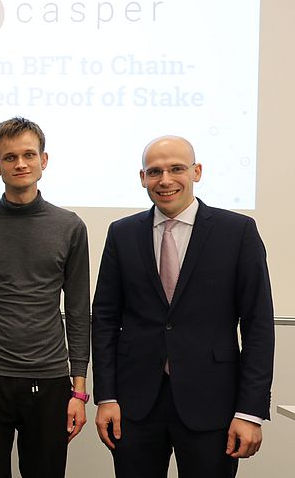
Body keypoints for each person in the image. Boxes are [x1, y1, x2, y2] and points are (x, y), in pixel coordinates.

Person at [91, 136, 274, 477]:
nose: (165, 180)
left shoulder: (238, 232)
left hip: (214, 405)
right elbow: (104, 319)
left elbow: (258, 325)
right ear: (142, 177)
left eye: (176, 169)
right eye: (154, 172)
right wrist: (106, 397)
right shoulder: (121, 233)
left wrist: (250, 411)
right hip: (134, 406)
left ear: (197, 172)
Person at [0, 116, 91, 478]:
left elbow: (78, 312)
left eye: (29, 154)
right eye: (10, 157)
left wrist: (79, 390)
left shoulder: (70, 227)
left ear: (44, 160)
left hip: (49, 378)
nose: (21, 164)